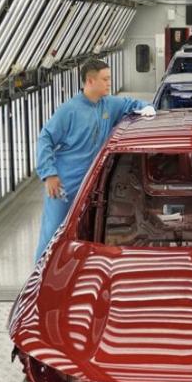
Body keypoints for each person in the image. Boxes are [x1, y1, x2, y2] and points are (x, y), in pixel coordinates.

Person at [34, 58, 155, 260]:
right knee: (53, 233)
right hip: (65, 182)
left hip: (93, 182)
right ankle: (41, 272)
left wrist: (147, 107)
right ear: (90, 81)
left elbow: (133, 104)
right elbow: (45, 138)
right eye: (105, 79)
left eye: (109, 78)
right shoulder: (69, 110)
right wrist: (49, 174)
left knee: (86, 231)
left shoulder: (109, 104)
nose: (109, 83)